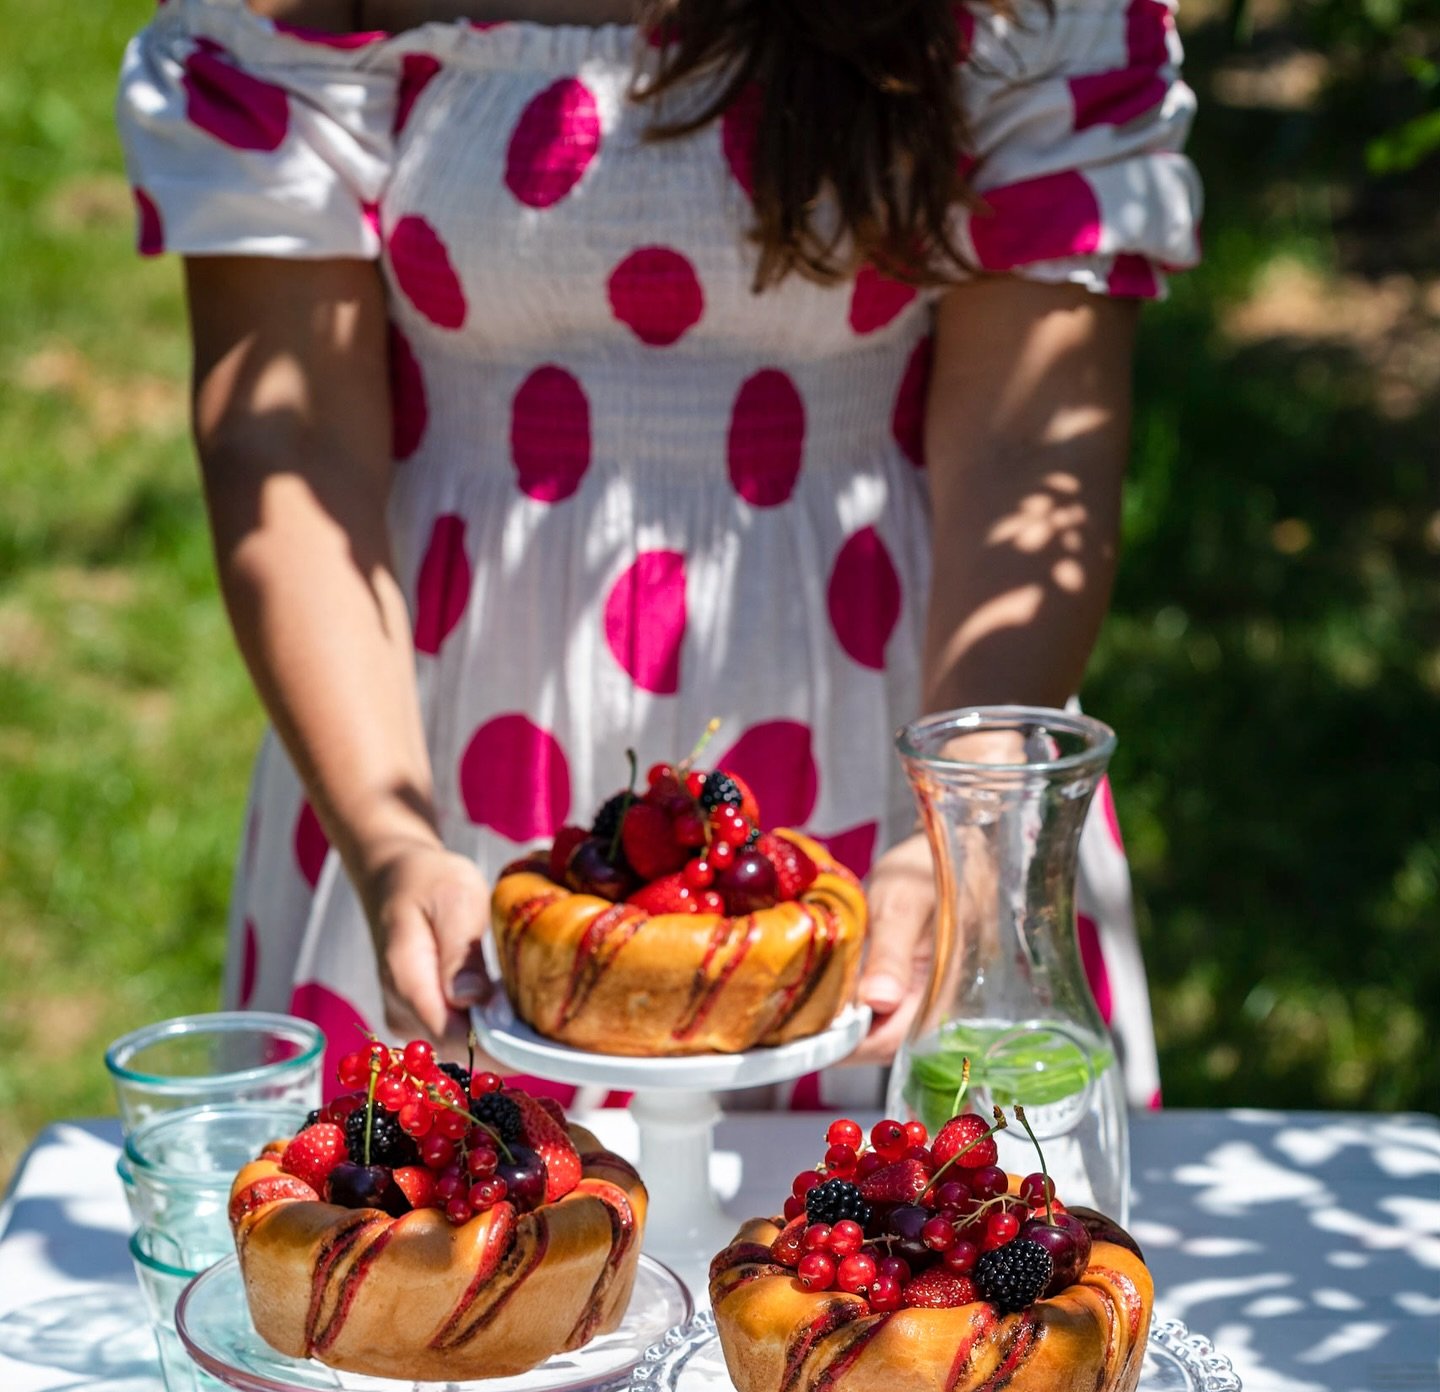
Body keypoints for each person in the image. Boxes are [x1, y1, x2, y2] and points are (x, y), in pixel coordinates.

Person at [118, 0, 1198, 1105]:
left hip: (907, 748)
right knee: (438, 1252)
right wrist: (390, 842)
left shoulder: (1026, 21)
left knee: (915, 1248)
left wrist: (964, 830)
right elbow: (287, 438)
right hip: (422, 754)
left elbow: (1028, 446)